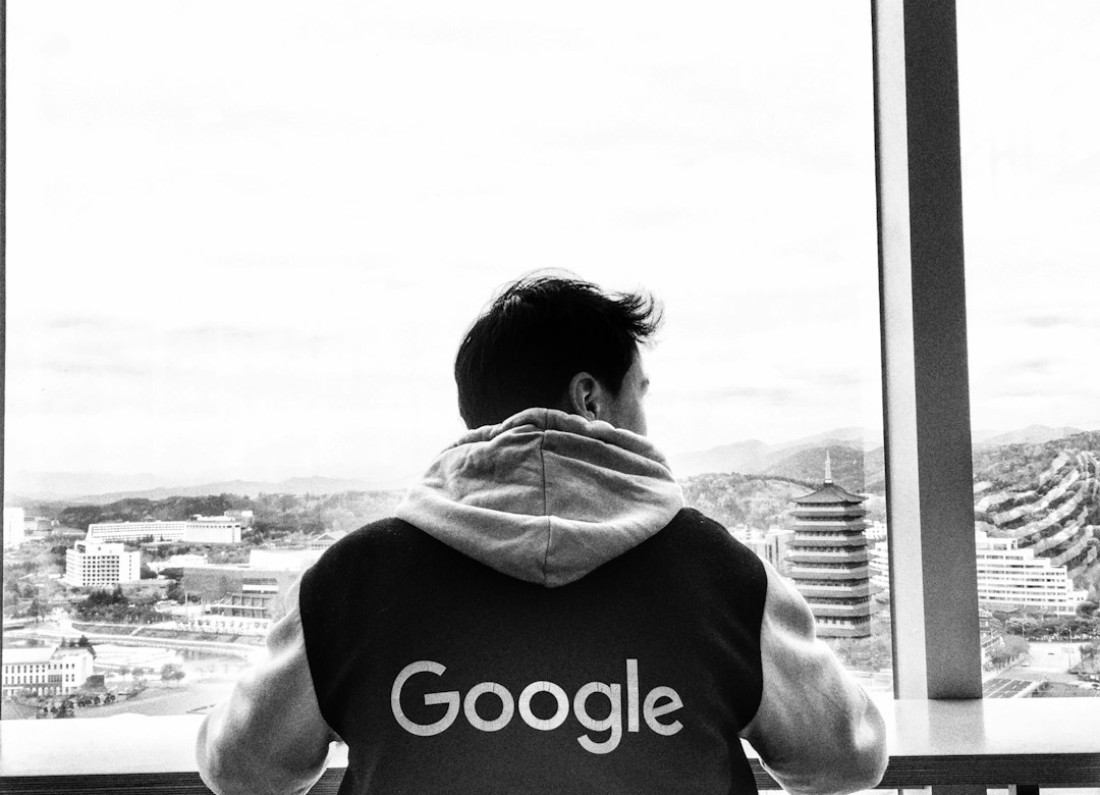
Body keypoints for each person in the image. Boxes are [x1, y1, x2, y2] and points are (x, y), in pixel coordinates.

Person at [196, 273, 888, 795]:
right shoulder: (722, 576)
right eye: (639, 392)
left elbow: (243, 768)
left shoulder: (352, 580)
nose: (646, 417)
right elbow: (846, 758)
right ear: (591, 398)